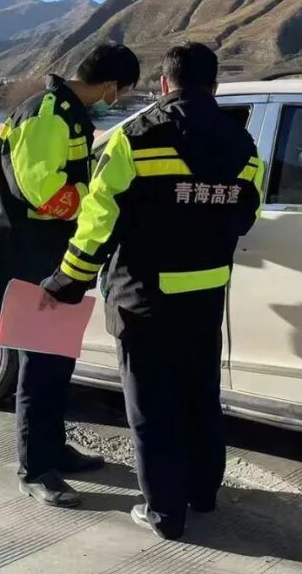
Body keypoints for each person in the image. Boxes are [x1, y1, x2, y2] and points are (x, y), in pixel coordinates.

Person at [42, 42, 262, 539]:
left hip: (142, 299)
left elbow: (98, 224)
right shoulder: (243, 144)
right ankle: (203, 494)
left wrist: (66, 282)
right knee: (200, 397)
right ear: (214, 85)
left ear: (164, 84)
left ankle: (164, 512)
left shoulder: (134, 139)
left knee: (152, 407)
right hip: (206, 295)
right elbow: (246, 214)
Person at [0, 42, 140, 508]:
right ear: (110, 85)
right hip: (31, 262)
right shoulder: (46, 114)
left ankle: (54, 449)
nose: (121, 99)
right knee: (38, 371)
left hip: (58, 260)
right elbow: (43, 192)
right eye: (123, 91)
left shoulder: (69, 114)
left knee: (57, 364)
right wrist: (98, 200)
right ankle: (35, 470)